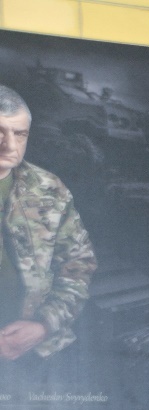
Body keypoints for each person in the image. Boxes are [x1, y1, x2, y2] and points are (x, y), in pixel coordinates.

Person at [0, 84, 97, 363]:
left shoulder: (48, 187)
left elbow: (78, 262)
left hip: (39, 347)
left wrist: (44, 324)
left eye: (19, 134)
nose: (10, 145)